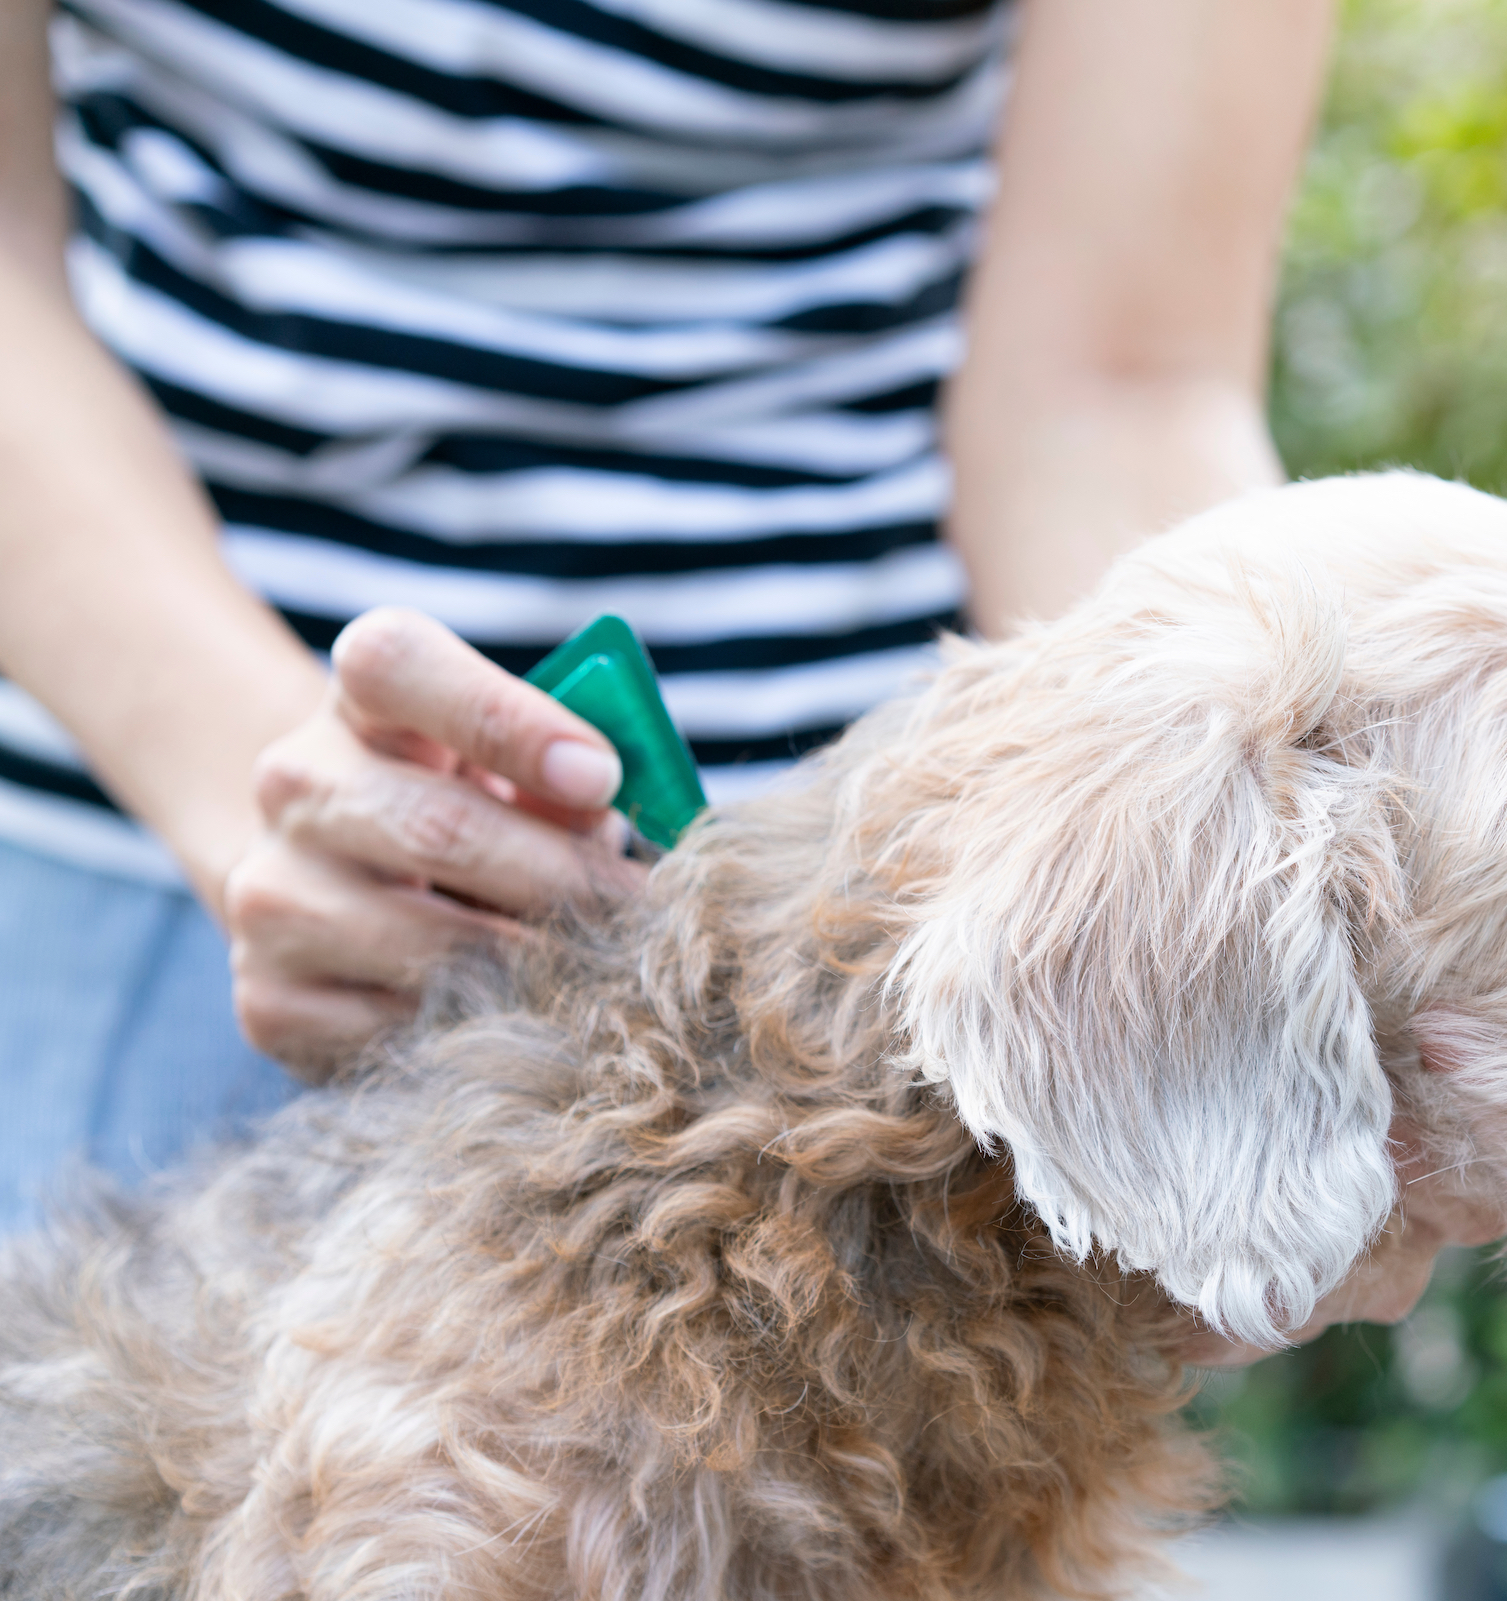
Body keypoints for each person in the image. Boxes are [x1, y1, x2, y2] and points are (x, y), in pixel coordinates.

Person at [0, 0, 1335, 1226]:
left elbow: (1116, 391)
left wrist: (1192, 869)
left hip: (849, 933)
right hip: (147, 836)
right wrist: (262, 794)